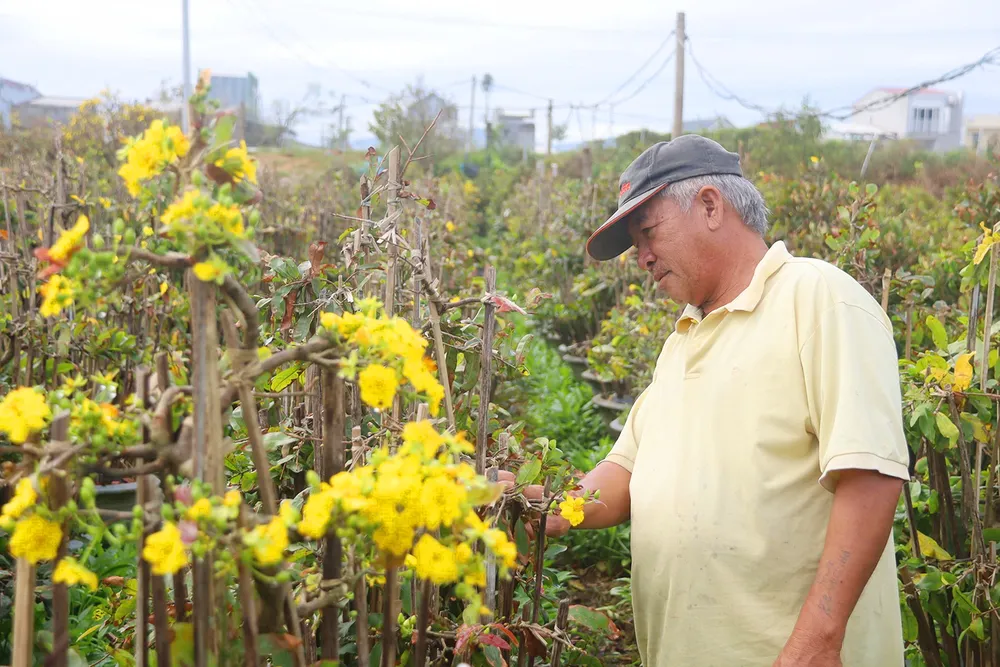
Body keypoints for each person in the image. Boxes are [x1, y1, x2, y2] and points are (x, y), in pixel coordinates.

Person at [499, 135, 910, 666]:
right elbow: (624, 477)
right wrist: (545, 506)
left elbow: (870, 474)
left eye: (648, 233)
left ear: (711, 205)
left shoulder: (819, 300)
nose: (642, 258)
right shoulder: (682, 341)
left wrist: (818, 639)